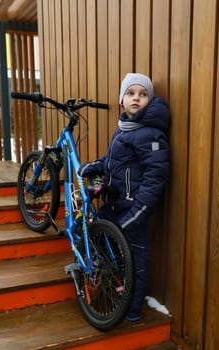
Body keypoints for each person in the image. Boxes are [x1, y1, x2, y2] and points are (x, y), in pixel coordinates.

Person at [79, 73, 170, 322]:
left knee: (137, 260)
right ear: (122, 99)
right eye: (131, 93)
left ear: (149, 101)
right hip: (114, 204)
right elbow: (114, 162)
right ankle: (112, 284)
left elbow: (155, 178)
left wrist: (137, 213)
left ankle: (132, 309)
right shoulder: (123, 129)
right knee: (96, 235)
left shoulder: (151, 134)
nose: (136, 98)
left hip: (134, 210)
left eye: (142, 94)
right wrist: (95, 166)